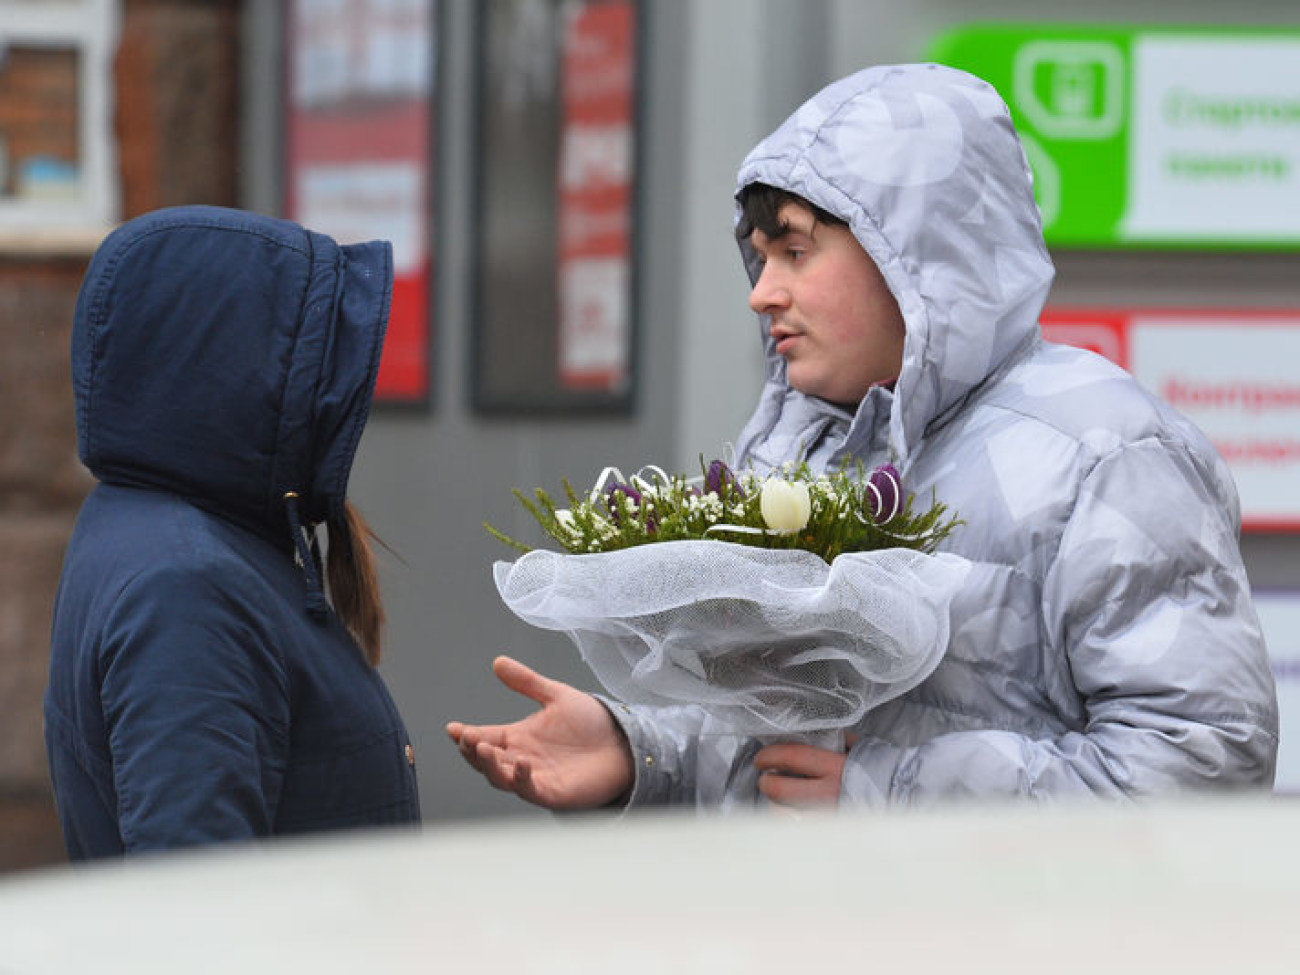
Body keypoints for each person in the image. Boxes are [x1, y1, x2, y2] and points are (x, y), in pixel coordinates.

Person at [448, 63, 1278, 809]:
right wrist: (639, 749)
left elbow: (1203, 762)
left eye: (797, 252)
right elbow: (776, 740)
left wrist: (890, 796)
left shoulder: (1104, 452)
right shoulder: (793, 440)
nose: (762, 292)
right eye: (761, 256)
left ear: (919, 258)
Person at [44, 205, 421, 859]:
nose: (333, 392)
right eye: (314, 362)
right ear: (233, 369)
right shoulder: (186, 587)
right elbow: (195, 912)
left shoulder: (167, 523)